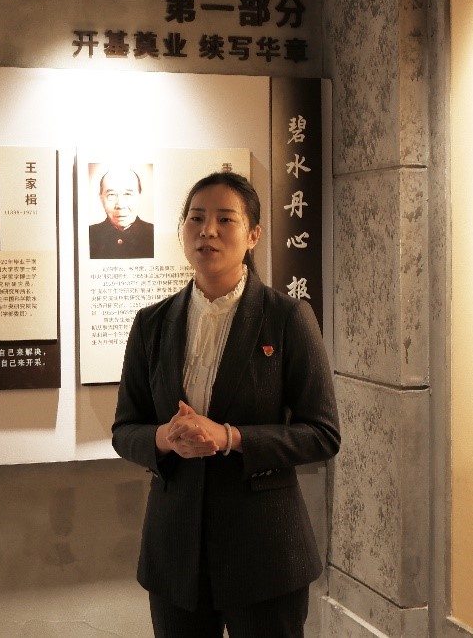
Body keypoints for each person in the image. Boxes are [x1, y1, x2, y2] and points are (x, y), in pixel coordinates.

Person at [112, 172, 340, 637]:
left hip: (265, 551)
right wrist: (165, 438)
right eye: (196, 218)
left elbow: (322, 433)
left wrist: (230, 437)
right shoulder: (152, 323)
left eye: (225, 219)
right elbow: (125, 429)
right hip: (176, 552)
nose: (207, 231)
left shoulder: (287, 318)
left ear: (253, 234)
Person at [88, 167, 154, 259]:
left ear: (139, 196)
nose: (120, 205)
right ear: (101, 198)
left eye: (127, 194)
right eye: (111, 195)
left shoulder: (154, 234)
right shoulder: (89, 235)